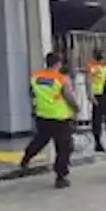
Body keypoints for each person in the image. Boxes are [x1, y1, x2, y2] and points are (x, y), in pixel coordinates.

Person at [19, 52, 78, 189]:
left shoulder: (36, 76)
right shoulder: (61, 79)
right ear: (58, 63)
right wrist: (76, 108)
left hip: (42, 115)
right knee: (64, 148)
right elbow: (69, 96)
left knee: (40, 140)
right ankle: (61, 177)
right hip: (60, 117)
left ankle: (26, 158)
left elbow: (31, 93)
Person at [85, 50, 106, 152]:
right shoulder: (91, 66)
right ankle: (98, 143)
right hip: (97, 95)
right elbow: (88, 81)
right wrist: (90, 95)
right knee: (97, 121)